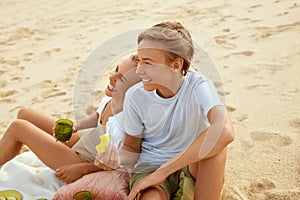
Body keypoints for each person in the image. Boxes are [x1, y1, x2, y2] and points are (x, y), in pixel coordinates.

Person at [97, 21, 235, 200]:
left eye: (148, 63)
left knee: (216, 147)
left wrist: (164, 171)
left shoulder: (199, 86)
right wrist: (115, 159)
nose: (139, 71)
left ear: (176, 65)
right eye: (139, 61)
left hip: (190, 164)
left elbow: (225, 130)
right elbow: (131, 148)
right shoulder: (135, 96)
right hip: (150, 166)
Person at [0, 55, 140, 184]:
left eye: (121, 78)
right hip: (83, 140)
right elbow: (97, 116)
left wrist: (83, 169)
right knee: (25, 113)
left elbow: (117, 165)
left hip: (82, 159)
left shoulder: (125, 123)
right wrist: (76, 127)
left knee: (18, 127)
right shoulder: (111, 99)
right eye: (116, 69)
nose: (111, 77)